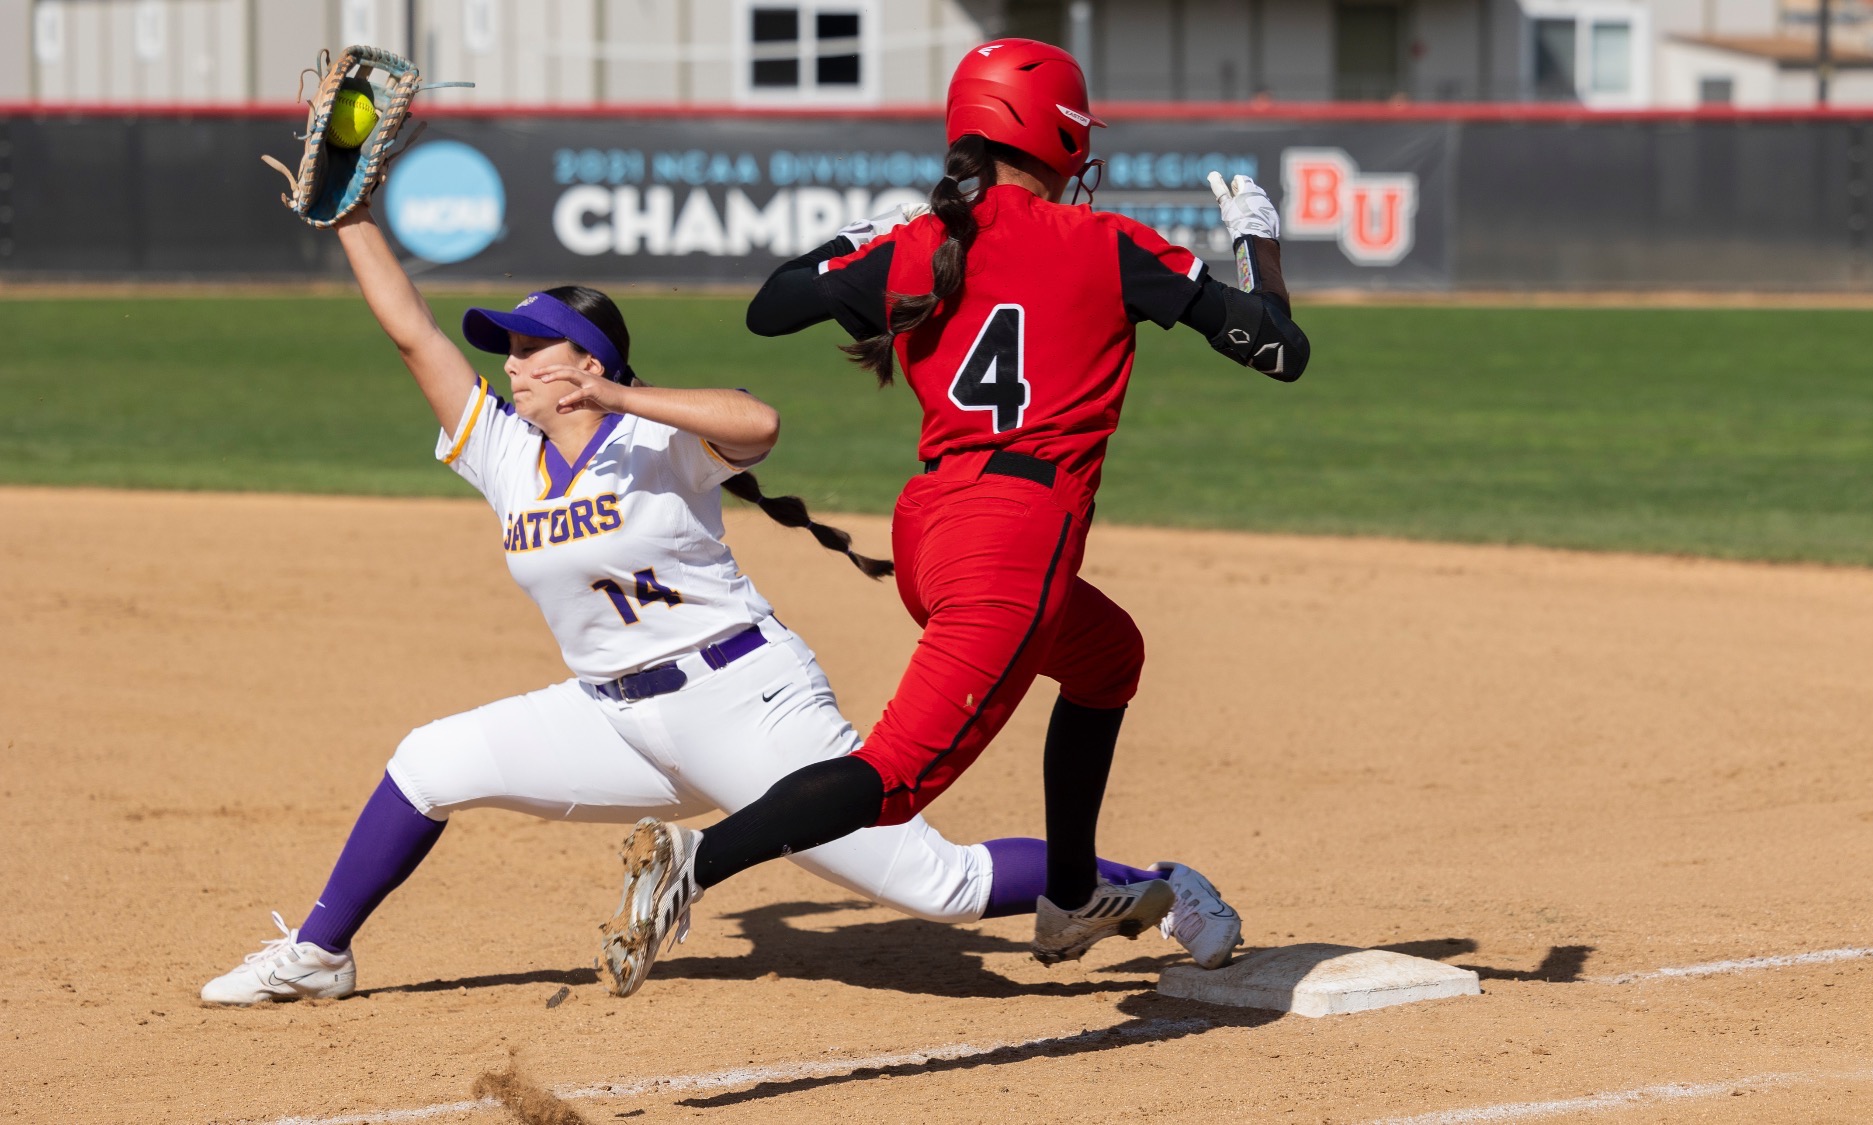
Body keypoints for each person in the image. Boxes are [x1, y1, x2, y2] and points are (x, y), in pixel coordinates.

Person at [198, 201, 1240, 1005]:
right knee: (429, 761)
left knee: (942, 885)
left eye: (529, 347)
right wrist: (353, 222)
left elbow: (759, 420)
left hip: (745, 703)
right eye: (506, 349)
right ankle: (316, 954)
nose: (508, 364)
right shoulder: (507, 458)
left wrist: (616, 397)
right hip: (609, 713)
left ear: (587, 363)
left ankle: (1141, 888)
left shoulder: (656, 438)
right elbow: (415, 338)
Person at [594, 37, 1305, 997]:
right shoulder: (1108, 243)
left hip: (929, 529)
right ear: (1056, 135)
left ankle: (1068, 894)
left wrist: (860, 241)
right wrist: (1259, 243)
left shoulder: (921, 243)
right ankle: (694, 864)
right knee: (892, 781)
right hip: (1017, 537)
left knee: (1109, 658)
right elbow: (1281, 351)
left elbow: (771, 309)